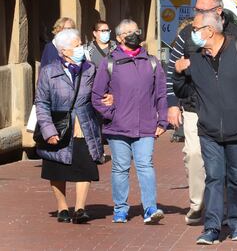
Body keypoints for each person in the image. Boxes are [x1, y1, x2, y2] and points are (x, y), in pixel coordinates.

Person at [173, 11, 237, 244]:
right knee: (214, 178)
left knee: (236, 178)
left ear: (209, 30)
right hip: (208, 129)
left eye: (194, 29)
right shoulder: (195, 56)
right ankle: (212, 228)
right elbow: (184, 92)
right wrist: (178, 74)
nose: (191, 34)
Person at [166, 0, 237, 225]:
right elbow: (173, 67)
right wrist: (172, 104)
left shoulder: (236, 34)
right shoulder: (187, 34)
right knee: (194, 154)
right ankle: (198, 204)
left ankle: (223, 208)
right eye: (196, 9)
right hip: (193, 105)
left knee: (225, 162)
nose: (195, 14)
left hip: (227, 108)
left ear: (217, 11)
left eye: (201, 10)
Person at [92, 19, 168, 224]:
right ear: (119, 38)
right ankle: (120, 209)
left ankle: (150, 208)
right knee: (120, 167)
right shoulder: (109, 62)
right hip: (118, 126)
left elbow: (161, 93)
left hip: (145, 125)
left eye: (136, 30)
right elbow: (97, 95)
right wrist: (110, 114)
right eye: (128, 32)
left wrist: (162, 121)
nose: (134, 34)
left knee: (145, 165)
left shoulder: (152, 62)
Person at [35, 29, 104, 224]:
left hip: (83, 124)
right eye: (76, 45)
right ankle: (62, 207)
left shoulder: (90, 69)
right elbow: (41, 103)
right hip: (58, 124)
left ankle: (81, 208)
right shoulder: (49, 72)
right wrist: (48, 130)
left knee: (85, 166)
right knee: (57, 168)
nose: (81, 48)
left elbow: (98, 95)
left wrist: (106, 100)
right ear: (64, 50)